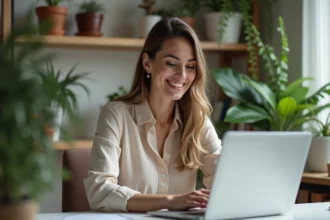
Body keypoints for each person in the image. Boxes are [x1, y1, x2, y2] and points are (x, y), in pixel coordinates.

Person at [84, 17, 222, 213]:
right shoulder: (116, 115)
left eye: (190, 66)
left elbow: (224, 178)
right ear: (148, 63)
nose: (182, 75)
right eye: (171, 63)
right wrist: (170, 201)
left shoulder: (197, 119)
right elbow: (99, 191)